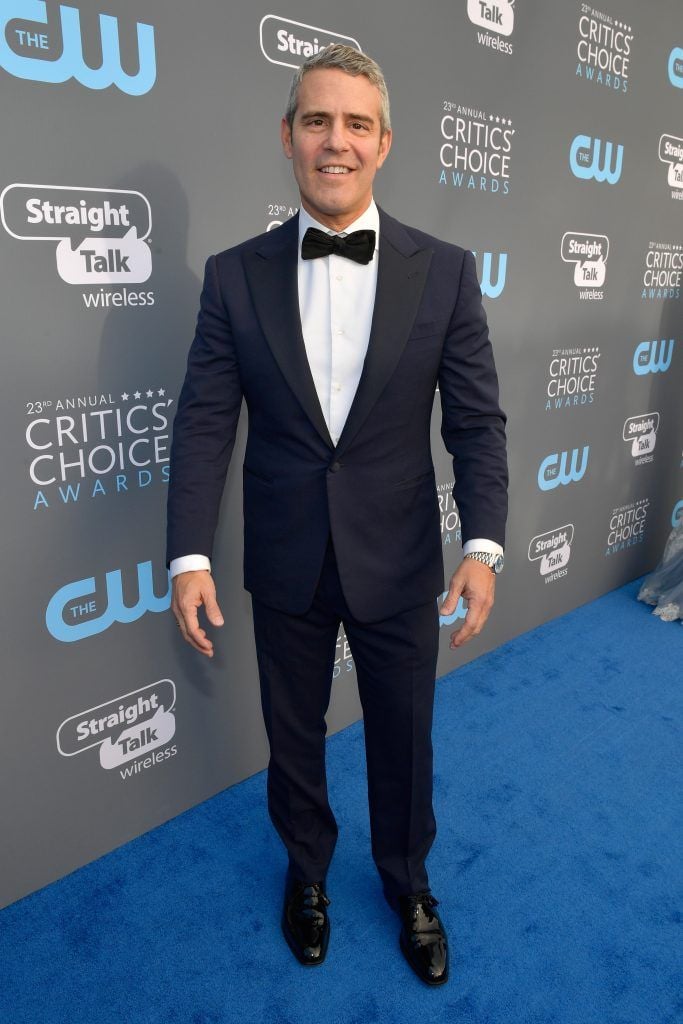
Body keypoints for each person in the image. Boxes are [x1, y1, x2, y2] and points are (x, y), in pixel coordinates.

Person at [167, 44, 508, 987]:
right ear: (287, 137)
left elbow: (476, 421)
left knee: (404, 731)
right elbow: (203, 425)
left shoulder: (443, 272)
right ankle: (306, 873)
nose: (336, 142)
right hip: (285, 552)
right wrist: (186, 554)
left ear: (385, 143)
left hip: (398, 552)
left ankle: (408, 883)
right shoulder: (232, 277)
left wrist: (481, 541)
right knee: (293, 732)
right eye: (317, 120)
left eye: (356, 124)